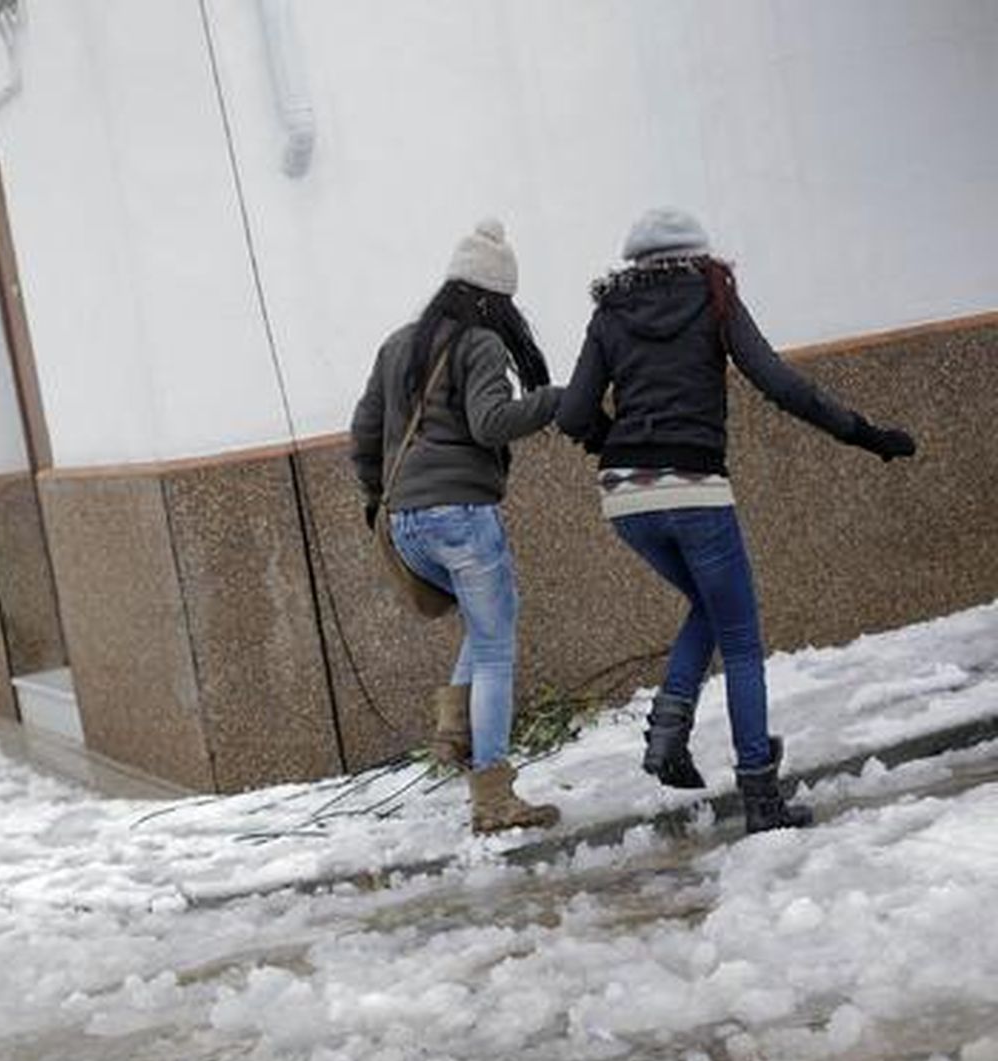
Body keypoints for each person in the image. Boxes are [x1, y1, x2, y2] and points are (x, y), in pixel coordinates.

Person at [556, 208, 917, 834]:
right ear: (697, 254)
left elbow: (573, 413)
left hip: (625, 496)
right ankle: (760, 795)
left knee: (709, 607)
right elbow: (780, 383)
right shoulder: (712, 294)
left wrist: (623, 445)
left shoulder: (611, 310)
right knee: (742, 637)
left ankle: (668, 732)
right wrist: (865, 435)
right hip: (695, 487)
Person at [351, 218, 564, 834]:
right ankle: (493, 797)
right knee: (497, 647)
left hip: (406, 522)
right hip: (461, 514)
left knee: (490, 618)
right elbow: (492, 422)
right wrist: (554, 400)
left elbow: (362, 436)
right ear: (489, 297)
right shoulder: (479, 345)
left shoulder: (398, 344)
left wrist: (377, 501)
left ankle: (455, 726)